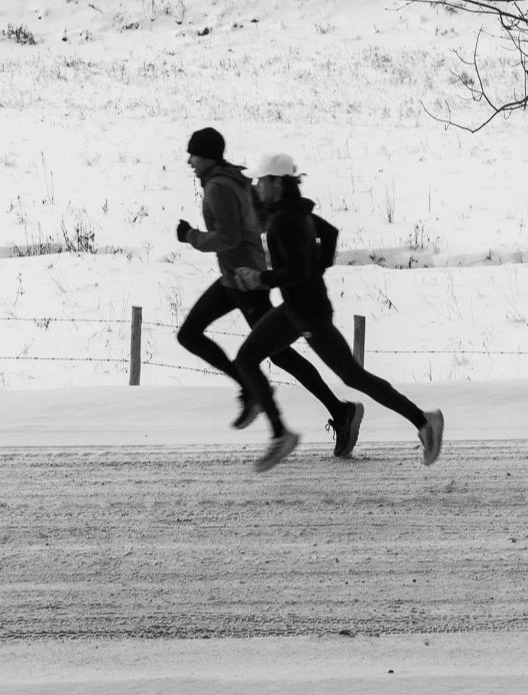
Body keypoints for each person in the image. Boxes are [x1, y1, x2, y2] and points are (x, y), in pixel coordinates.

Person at [233, 151, 444, 472]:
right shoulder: (296, 213)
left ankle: (423, 420)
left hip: (308, 315)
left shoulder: (284, 221)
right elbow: (328, 235)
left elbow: (297, 272)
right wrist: (319, 265)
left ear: (276, 183)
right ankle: (279, 433)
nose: (257, 186)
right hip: (295, 311)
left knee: (352, 376)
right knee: (247, 358)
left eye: (261, 181)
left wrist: (259, 277)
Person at [174, 127, 359, 438]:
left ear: (207, 157)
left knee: (277, 353)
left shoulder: (219, 186)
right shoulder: (235, 179)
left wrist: (190, 236)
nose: (190, 160)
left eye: (194, 154)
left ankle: (338, 411)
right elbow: (257, 220)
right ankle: (262, 392)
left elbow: (229, 237)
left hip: (244, 281)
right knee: (194, 335)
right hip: (236, 278)